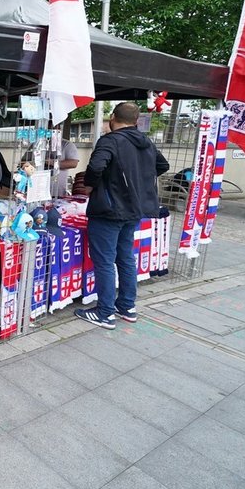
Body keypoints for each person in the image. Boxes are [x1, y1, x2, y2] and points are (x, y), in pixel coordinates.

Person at [75, 102, 169, 329]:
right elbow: (162, 165)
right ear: (136, 121)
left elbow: (96, 167)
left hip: (108, 210)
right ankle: (126, 306)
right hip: (133, 210)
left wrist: (90, 186)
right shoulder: (146, 142)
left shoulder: (110, 140)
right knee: (125, 257)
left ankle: (105, 312)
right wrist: (137, 181)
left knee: (105, 260)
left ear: (112, 118)